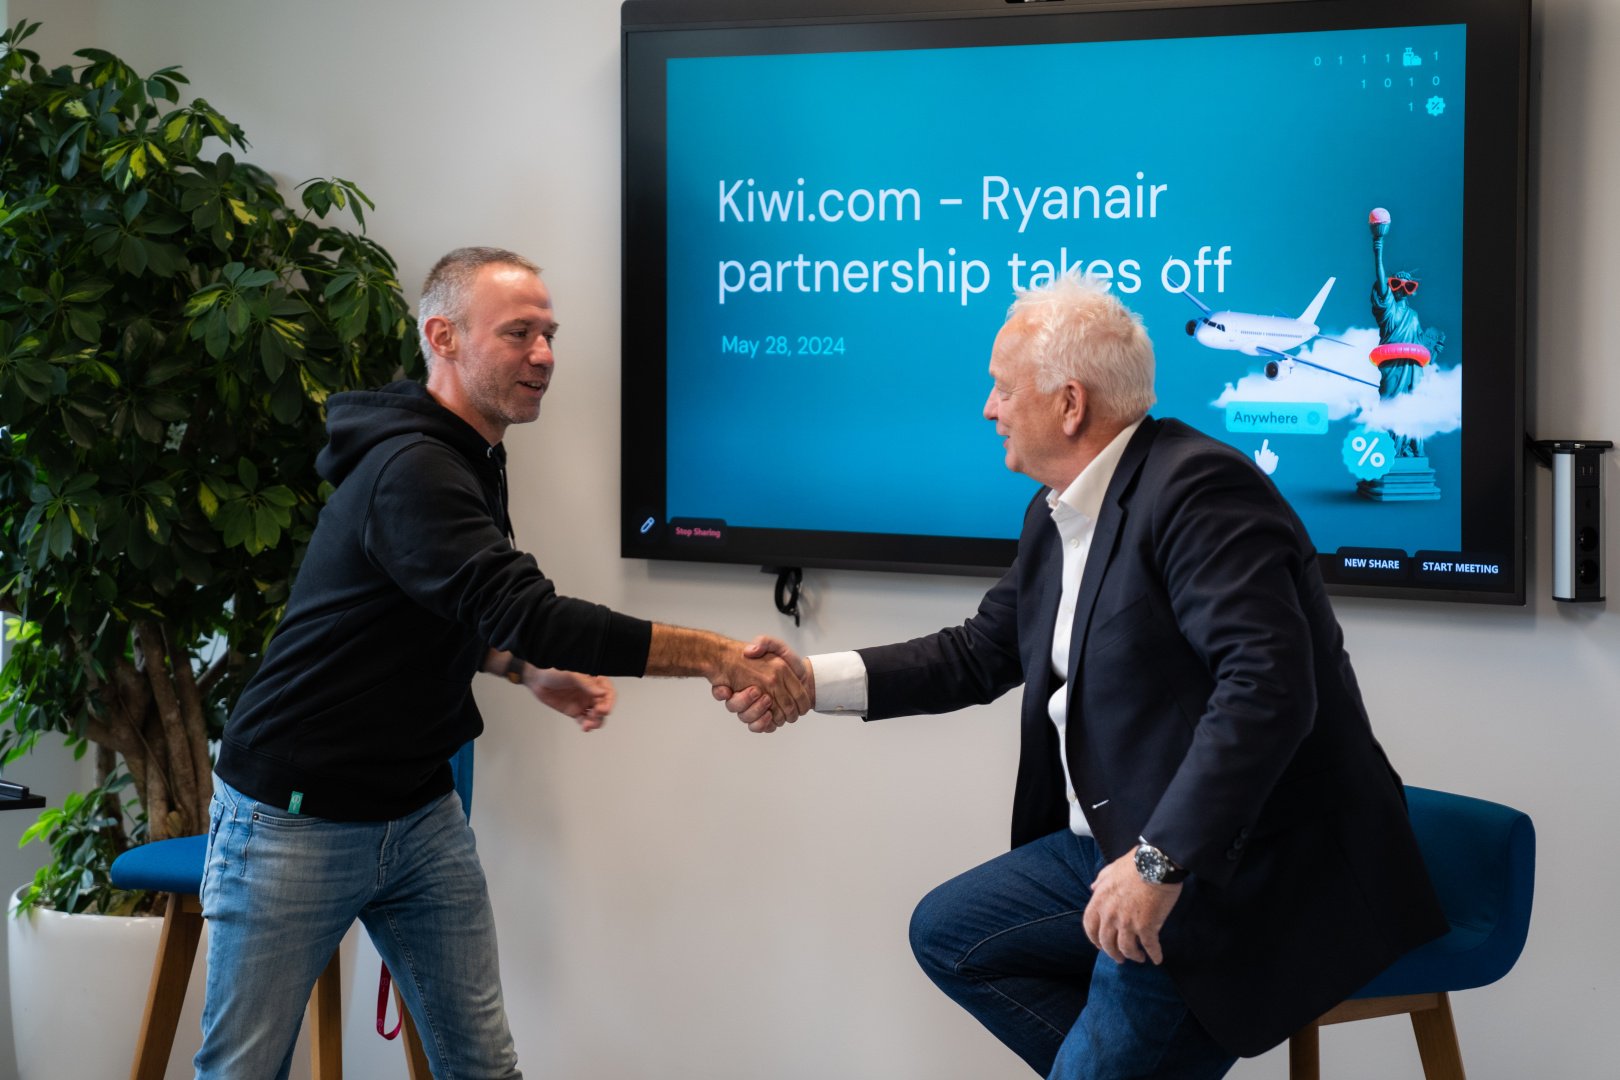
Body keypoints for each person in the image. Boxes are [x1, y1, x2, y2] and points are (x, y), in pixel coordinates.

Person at [720, 274, 1447, 1079]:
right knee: (952, 934)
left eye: (1003, 389)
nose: (988, 409)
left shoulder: (1202, 492)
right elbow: (979, 652)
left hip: (1231, 867)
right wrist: (807, 680)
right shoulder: (1059, 508)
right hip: (1116, 843)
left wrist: (1160, 862)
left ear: (1070, 404)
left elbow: (1267, 691)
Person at [196, 246, 807, 1079]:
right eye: (519, 333)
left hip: (418, 814)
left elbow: (447, 605)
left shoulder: (469, 452)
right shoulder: (413, 469)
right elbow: (534, 614)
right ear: (442, 337)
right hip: (294, 818)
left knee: (483, 1066)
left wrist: (521, 669)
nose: (544, 355)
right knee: (242, 1070)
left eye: (550, 334)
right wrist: (715, 655)